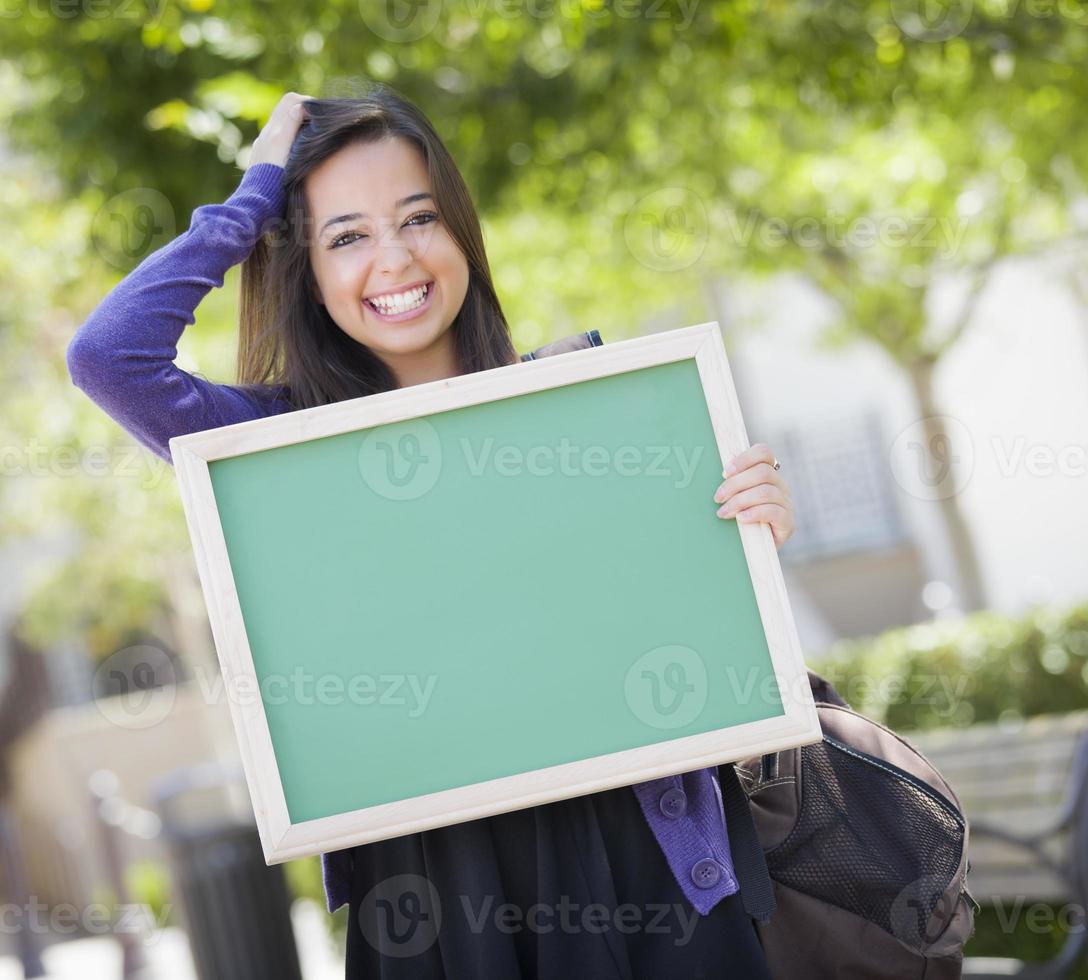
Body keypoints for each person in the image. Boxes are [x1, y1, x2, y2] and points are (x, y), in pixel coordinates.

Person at [66, 84, 798, 978]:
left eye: (418, 218)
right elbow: (109, 356)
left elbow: (680, 631)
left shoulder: (585, 404)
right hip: (433, 893)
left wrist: (743, 539)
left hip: (642, 855)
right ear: (302, 265)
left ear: (459, 232)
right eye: (345, 236)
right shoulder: (269, 449)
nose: (394, 259)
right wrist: (255, 191)